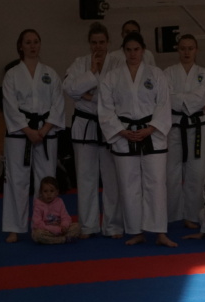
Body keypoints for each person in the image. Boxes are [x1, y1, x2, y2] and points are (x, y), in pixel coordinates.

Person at [98, 32, 176, 247]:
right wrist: (121, 131)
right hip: (124, 134)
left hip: (152, 134)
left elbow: (163, 104)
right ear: (123, 51)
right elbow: (105, 109)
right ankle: (136, 230)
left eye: (136, 49)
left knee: (156, 184)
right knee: (128, 184)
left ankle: (160, 232)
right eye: (129, 50)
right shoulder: (112, 77)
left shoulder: (156, 74)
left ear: (143, 51)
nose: (133, 54)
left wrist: (150, 129)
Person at [2, 29, 65, 243]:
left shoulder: (50, 73)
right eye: (28, 42)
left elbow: (58, 103)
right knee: (16, 179)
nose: (32, 46)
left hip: (46, 131)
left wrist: (45, 129)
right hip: (20, 132)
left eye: (36, 41)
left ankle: (46, 225)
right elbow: (10, 106)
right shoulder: (12, 74)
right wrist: (28, 130)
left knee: (46, 180)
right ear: (20, 46)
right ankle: (14, 227)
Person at [63, 22, 123, 239]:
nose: (98, 46)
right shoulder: (80, 63)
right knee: (85, 177)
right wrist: (92, 73)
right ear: (89, 44)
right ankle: (88, 225)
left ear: (108, 43)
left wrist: (87, 96)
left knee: (111, 178)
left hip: (109, 126)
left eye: (102, 42)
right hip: (85, 125)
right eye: (94, 42)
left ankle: (112, 225)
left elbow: (119, 94)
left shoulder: (118, 63)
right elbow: (68, 88)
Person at [164, 34, 205, 229]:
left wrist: (180, 98)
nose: (186, 52)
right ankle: (172, 214)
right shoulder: (168, 73)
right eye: (183, 48)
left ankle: (193, 215)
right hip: (174, 125)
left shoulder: (204, 73)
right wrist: (188, 99)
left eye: (190, 48)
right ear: (178, 50)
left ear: (196, 50)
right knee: (171, 172)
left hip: (197, 126)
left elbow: (201, 98)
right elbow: (166, 97)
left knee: (197, 172)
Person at [31, 176, 81, 244]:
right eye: (45, 191)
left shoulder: (59, 201)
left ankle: (57, 239)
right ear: (41, 192)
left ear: (57, 192)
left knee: (77, 227)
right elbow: (37, 223)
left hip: (60, 229)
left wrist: (64, 226)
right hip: (47, 230)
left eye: (52, 191)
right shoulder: (38, 204)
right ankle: (62, 240)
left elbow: (66, 217)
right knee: (37, 234)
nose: (48, 194)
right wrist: (54, 229)